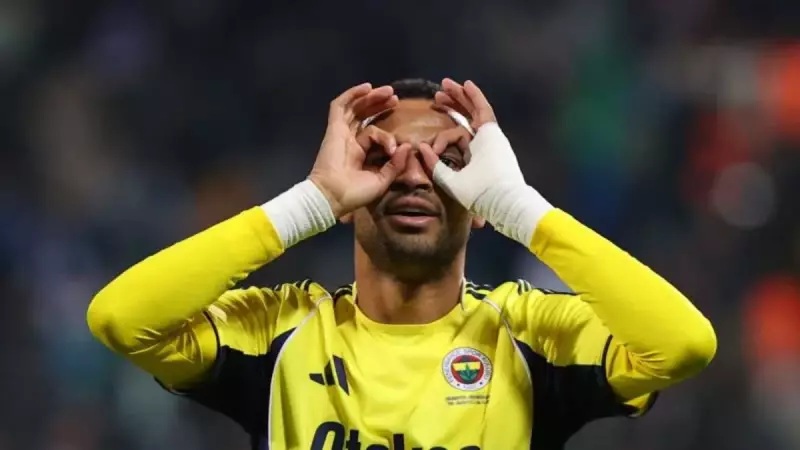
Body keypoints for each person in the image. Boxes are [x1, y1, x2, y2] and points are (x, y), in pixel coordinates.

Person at [87, 78, 717, 450]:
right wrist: (310, 202)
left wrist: (521, 209)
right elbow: (121, 318)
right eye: (381, 157)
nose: (415, 176)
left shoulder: (533, 335)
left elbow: (683, 345)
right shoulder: (279, 332)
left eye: (448, 161)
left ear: (481, 200)